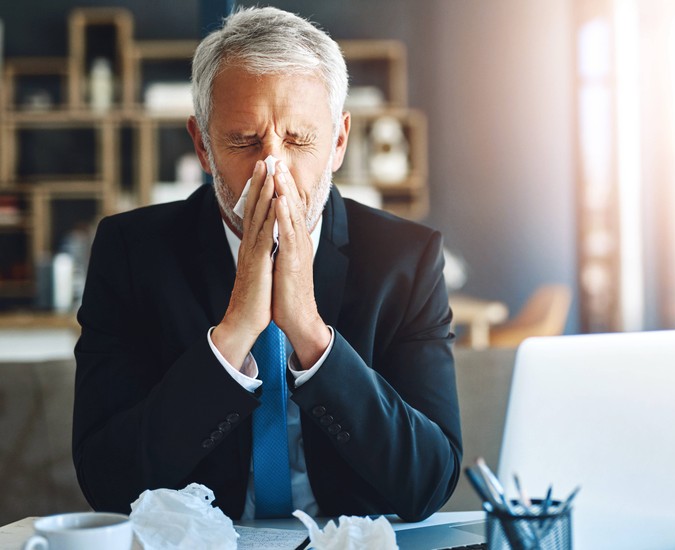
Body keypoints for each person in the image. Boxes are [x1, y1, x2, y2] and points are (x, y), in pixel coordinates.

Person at [71, 7, 461, 522]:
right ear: (203, 146)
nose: (272, 167)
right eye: (243, 141)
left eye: (298, 140)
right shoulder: (131, 253)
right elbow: (108, 481)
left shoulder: (406, 260)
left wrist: (309, 332)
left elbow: (428, 482)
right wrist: (233, 335)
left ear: (339, 141)